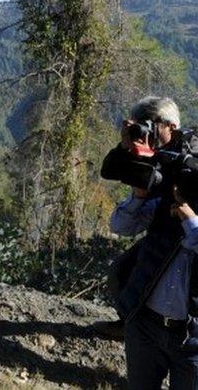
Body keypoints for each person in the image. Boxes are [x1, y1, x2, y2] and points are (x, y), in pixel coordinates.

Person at [106, 96, 198, 389]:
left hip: (192, 338)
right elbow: (120, 226)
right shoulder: (166, 177)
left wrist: (190, 221)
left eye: (152, 126)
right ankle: (124, 320)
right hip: (145, 325)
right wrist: (139, 196)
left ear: (172, 127)